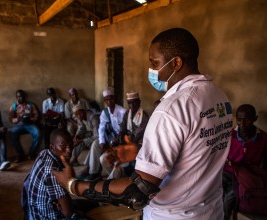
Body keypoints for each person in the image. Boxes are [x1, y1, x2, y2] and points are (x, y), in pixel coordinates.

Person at [53, 28, 233, 219]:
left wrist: (74, 185)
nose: (152, 71)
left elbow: (137, 191)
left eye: (155, 63)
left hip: (173, 215)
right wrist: (140, 150)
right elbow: (195, 149)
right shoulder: (218, 97)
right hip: (210, 211)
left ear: (176, 63)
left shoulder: (171, 109)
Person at [222, 104, 267, 219]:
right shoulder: (229, 135)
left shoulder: (264, 138)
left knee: (228, 202)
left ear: (255, 119)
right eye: (239, 120)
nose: (242, 124)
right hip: (227, 172)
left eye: (247, 120)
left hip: (246, 177)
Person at [22, 129, 78, 219]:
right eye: (63, 146)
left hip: (33, 213)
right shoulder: (53, 172)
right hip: (46, 217)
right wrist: (70, 181)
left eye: (71, 145)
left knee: (87, 204)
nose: (69, 150)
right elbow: (68, 213)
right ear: (52, 147)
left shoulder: (44, 153)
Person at [78, 87, 126, 181]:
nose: (109, 101)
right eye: (106, 100)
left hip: (121, 139)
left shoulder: (122, 111)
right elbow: (101, 128)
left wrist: (116, 141)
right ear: (104, 101)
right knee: (96, 143)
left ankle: (115, 177)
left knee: (106, 157)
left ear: (114, 98)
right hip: (111, 138)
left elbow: (125, 130)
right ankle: (94, 172)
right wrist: (102, 141)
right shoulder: (105, 112)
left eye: (111, 98)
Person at [100, 91, 149, 179]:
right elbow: (122, 129)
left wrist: (123, 139)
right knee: (103, 158)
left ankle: (114, 180)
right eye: (130, 103)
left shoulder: (144, 116)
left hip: (137, 147)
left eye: (135, 102)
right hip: (126, 143)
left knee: (118, 166)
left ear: (139, 102)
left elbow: (135, 137)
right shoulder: (127, 114)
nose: (132, 105)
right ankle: (118, 178)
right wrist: (117, 140)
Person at [9, 89, 41, 163]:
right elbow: (10, 118)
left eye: (21, 96)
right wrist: (18, 119)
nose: (20, 98)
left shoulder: (30, 105)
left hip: (30, 124)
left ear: (25, 97)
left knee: (38, 133)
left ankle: (31, 153)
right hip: (19, 125)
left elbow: (36, 115)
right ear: (16, 97)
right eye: (18, 97)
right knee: (12, 132)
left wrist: (31, 119)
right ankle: (20, 154)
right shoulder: (14, 106)